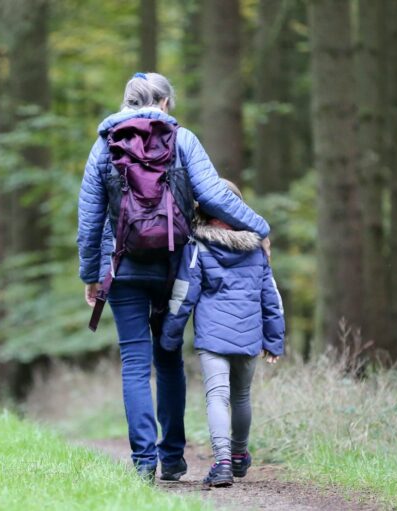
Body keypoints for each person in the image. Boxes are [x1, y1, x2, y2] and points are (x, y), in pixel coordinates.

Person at [77, 72, 271, 481]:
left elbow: (89, 220)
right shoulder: (183, 140)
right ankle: (173, 458)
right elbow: (216, 195)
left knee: (134, 361)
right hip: (174, 267)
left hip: (123, 267)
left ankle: (144, 463)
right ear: (165, 102)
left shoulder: (103, 145)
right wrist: (260, 227)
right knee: (168, 358)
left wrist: (91, 275)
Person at [160, 179, 285, 488]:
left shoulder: (198, 246)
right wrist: (274, 339)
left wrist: (170, 335)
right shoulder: (257, 248)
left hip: (213, 337)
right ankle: (240, 455)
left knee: (218, 396)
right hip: (249, 334)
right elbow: (271, 297)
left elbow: (183, 293)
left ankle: (223, 462)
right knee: (241, 396)